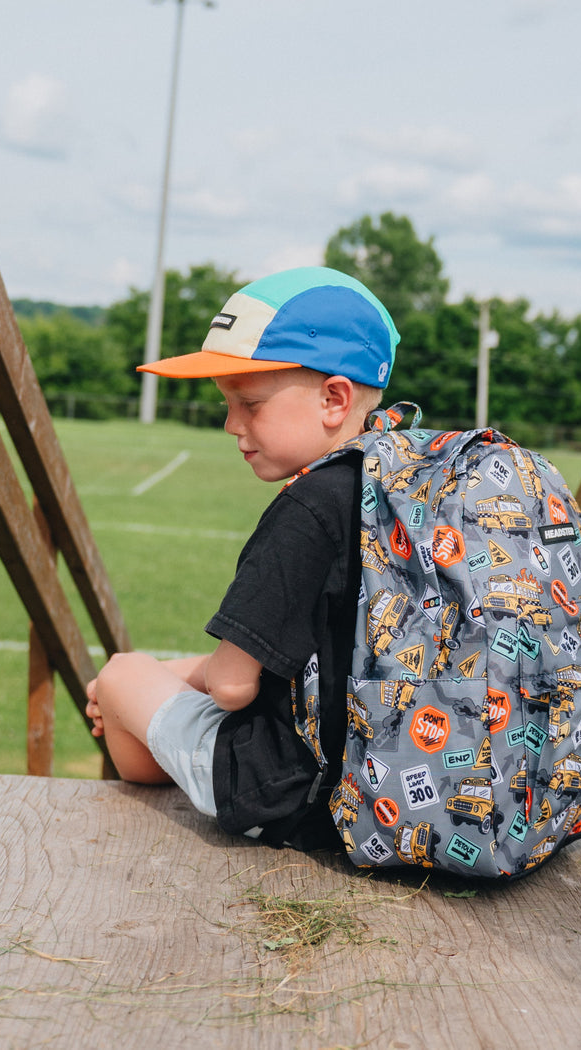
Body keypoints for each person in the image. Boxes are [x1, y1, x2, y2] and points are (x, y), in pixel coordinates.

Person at [86, 266, 400, 849]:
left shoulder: (311, 503)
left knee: (121, 674)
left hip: (296, 799)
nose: (231, 424)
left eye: (249, 403)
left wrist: (153, 682)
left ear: (334, 399)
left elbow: (231, 686)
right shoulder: (405, 490)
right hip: (394, 789)